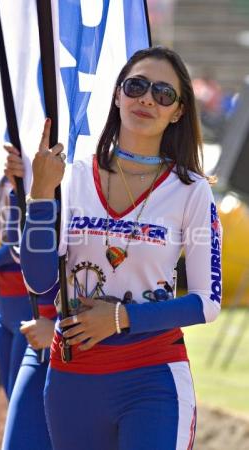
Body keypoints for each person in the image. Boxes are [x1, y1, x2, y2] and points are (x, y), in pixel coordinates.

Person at [20, 46, 222, 450]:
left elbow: (206, 302)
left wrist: (120, 318)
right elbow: (40, 280)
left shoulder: (191, 191)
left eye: (164, 93)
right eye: (137, 86)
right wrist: (41, 194)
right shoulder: (71, 177)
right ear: (117, 95)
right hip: (72, 378)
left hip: (152, 377)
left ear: (178, 111)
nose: (148, 98)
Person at [0, 130, 55, 449]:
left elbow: (30, 239)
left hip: (30, 306)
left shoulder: (42, 171)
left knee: (31, 419)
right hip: (5, 306)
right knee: (13, 402)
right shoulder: (3, 172)